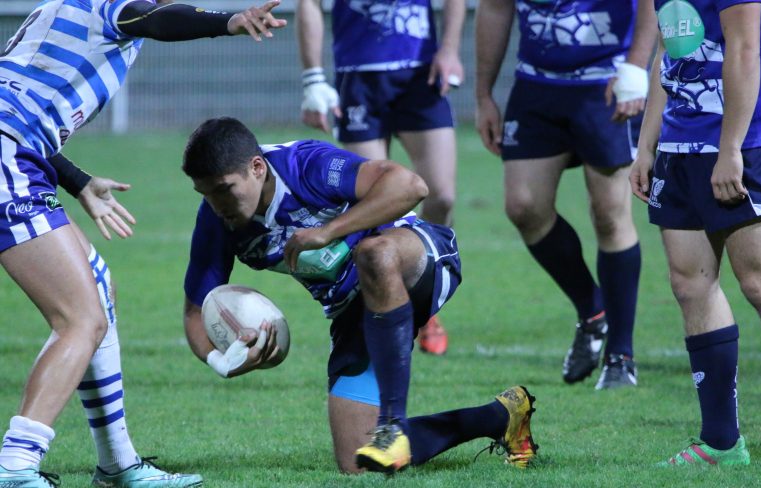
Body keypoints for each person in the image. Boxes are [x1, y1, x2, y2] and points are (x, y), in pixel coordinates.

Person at [0, 1, 286, 485]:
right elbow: (156, 20)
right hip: (8, 161)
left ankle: (117, 463)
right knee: (80, 319)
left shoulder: (58, 10)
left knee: (98, 289)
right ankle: (15, 464)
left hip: (18, 155)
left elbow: (21, 110)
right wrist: (227, 22)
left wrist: (78, 181)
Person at [180, 117, 537, 474]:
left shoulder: (304, 166)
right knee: (359, 460)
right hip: (355, 309)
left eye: (224, 189)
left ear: (257, 167)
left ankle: (392, 424)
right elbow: (195, 312)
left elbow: (411, 186)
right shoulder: (216, 220)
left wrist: (328, 231)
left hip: (417, 256)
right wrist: (222, 362)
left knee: (373, 254)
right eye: (204, 193)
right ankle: (501, 416)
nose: (216, 203)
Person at [474, 0, 657, 389]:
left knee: (609, 214)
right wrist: (483, 94)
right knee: (523, 206)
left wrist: (636, 68)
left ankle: (620, 356)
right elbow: (494, 8)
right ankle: (593, 311)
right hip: (536, 85)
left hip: (606, 82)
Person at [630, 0, 761, 466]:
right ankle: (722, 443)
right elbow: (668, 55)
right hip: (678, 145)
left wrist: (731, 149)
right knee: (690, 285)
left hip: (745, 143)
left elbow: (745, 50)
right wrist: (646, 146)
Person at [295, 0, 467, 355]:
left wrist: (450, 49)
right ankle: (394, 305)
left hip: (420, 73)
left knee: (442, 195)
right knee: (376, 206)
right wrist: (313, 78)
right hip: (359, 75)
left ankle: (428, 288)